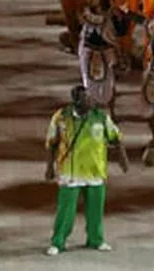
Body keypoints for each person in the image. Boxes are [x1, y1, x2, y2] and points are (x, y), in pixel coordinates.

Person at [44, 84, 126, 257]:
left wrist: (123, 160)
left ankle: (96, 239)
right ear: (76, 101)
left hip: (95, 171)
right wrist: (49, 167)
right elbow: (52, 143)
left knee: (95, 210)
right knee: (66, 211)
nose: (91, 100)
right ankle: (58, 242)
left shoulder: (101, 117)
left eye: (90, 97)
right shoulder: (61, 117)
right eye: (86, 98)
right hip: (70, 172)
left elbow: (116, 138)